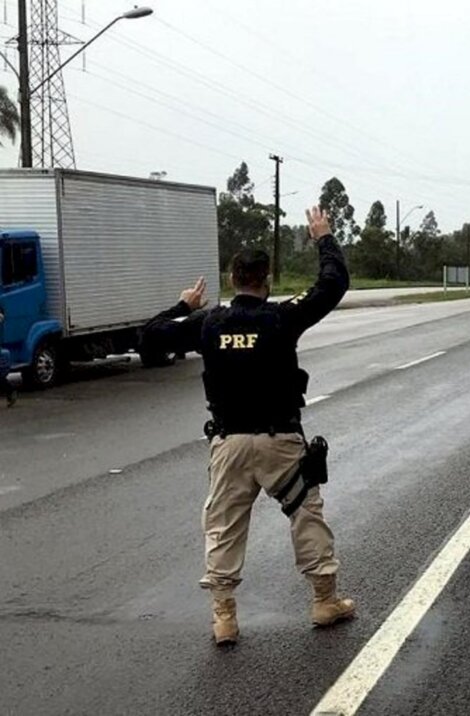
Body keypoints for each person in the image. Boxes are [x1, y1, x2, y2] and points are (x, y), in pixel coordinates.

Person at [140, 206, 353, 645]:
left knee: (223, 526)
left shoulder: (209, 322)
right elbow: (332, 285)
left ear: (232, 279)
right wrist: (324, 239)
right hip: (280, 442)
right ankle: (324, 601)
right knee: (305, 514)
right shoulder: (281, 317)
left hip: (229, 444)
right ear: (267, 279)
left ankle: (224, 619)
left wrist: (184, 304)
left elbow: (150, 336)